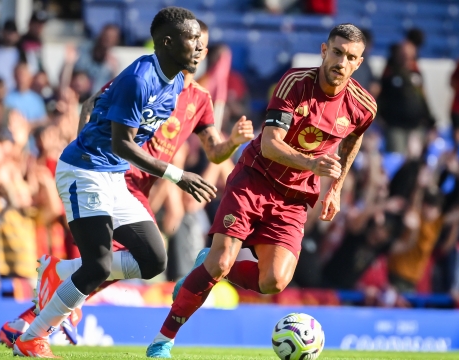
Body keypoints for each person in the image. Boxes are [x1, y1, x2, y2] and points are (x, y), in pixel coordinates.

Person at [0, 19, 255, 348]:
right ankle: (33, 327)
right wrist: (85, 149)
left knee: (136, 262)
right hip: (113, 171)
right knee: (100, 265)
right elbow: (94, 105)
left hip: (135, 179)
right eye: (194, 40)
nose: (200, 48)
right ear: (171, 43)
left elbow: (215, 153)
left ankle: (47, 293)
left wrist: (233, 142)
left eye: (202, 43)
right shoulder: (142, 77)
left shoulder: (196, 97)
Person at [146, 23, 376, 358]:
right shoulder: (295, 84)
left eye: (350, 57)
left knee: (274, 281)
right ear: (324, 51)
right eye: (337, 52)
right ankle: (162, 341)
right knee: (222, 259)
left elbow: (355, 136)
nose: (341, 62)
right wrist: (314, 166)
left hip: (295, 197)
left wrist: (336, 189)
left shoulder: (363, 105)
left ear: (359, 62)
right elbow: (270, 145)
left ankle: (206, 268)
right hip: (256, 179)